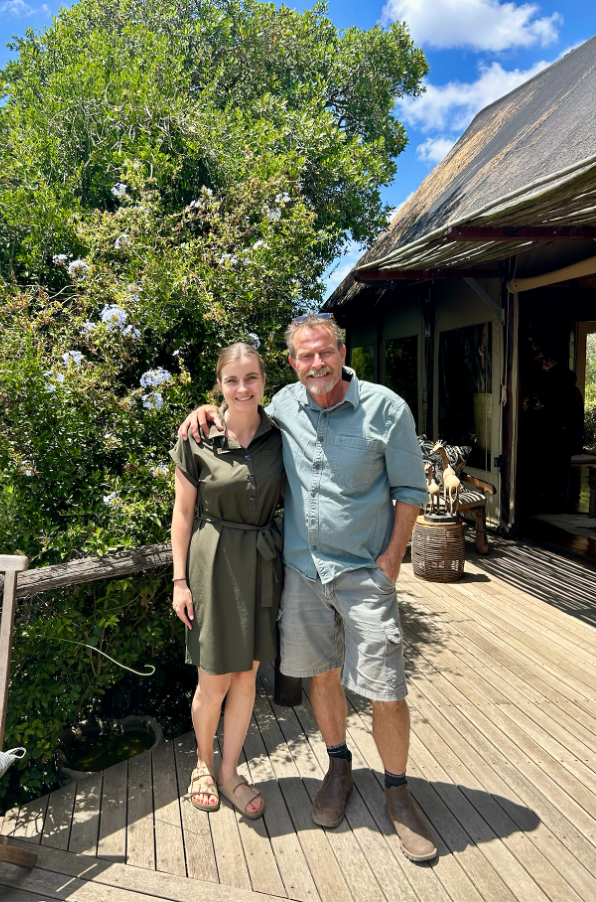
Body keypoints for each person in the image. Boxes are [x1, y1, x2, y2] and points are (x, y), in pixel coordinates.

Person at [179, 315, 437, 861]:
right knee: (321, 675)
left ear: (342, 351)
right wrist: (205, 410)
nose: (317, 363)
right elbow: (236, 412)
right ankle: (338, 767)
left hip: (363, 571)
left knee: (386, 687)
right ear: (293, 363)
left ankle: (398, 792)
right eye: (305, 355)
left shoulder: (386, 408)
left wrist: (391, 560)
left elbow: (411, 490)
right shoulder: (284, 407)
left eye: (325, 352)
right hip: (300, 571)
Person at [169, 342, 283, 820]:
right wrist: (179, 580)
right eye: (232, 380)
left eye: (251, 377)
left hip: (261, 563)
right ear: (219, 384)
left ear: (264, 381)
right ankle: (203, 763)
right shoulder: (198, 437)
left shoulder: (281, 434)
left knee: (246, 677)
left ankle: (231, 771)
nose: (242, 388)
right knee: (213, 677)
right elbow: (183, 513)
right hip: (212, 563)